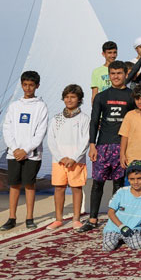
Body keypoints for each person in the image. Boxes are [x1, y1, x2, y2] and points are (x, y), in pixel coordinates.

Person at [77, 61, 135, 233]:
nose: (116, 76)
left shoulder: (132, 96)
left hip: (122, 146)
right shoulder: (101, 96)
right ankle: (92, 219)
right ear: (109, 75)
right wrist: (92, 145)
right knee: (98, 183)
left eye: (119, 73)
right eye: (113, 73)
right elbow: (94, 121)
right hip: (102, 146)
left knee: (119, 184)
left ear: (126, 74)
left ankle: (117, 218)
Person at [0, 71, 49, 231]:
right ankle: (12, 218)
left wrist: (26, 150)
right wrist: (15, 149)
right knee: (14, 185)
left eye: (31, 85)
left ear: (37, 86)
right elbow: (7, 128)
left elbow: (40, 132)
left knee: (29, 185)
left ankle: (29, 218)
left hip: (32, 154)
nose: (28, 88)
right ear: (21, 85)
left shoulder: (41, 106)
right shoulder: (14, 106)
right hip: (14, 153)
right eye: (25, 85)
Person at [46, 84, 89, 231]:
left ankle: (76, 219)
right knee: (59, 188)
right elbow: (51, 140)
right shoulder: (56, 118)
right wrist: (60, 157)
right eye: (66, 97)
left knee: (76, 189)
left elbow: (85, 140)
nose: (69, 100)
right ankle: (58, 219)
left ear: (79, 99)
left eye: (73, 97)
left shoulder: (84, 118)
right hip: (59, 161)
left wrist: (74, 158)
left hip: (77, 161)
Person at [101, 160, 141, 252]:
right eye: (132, 179)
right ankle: (117, 239)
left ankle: (129, 239)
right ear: (128, 179)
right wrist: (122, 227)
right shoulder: (121, 192)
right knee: (108, 246)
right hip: (114, 228)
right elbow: (111, 213)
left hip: (132, 229)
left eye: (139, 178)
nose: (136, 182)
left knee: (139, 245)